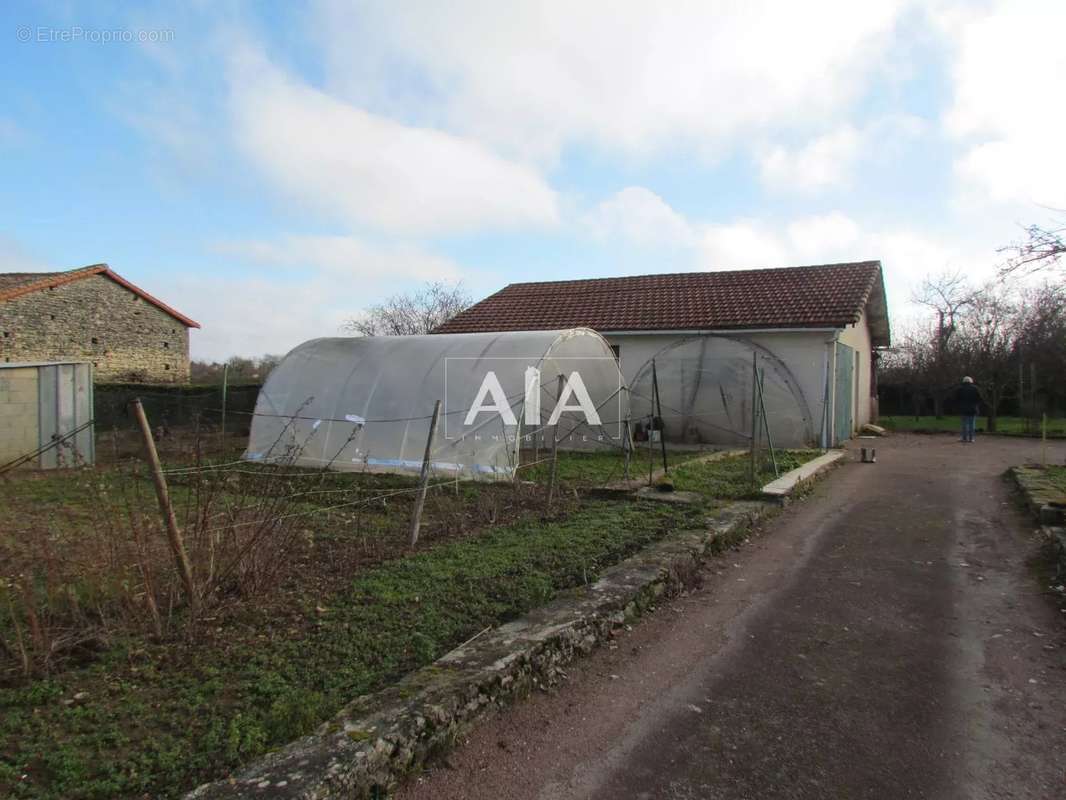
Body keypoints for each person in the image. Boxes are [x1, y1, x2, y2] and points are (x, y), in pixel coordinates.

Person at [956, 376, 982, 443]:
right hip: (972, 409)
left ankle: (964, 438)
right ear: (971, 381)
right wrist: (976, 405)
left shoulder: (960, 389)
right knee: (972, 424)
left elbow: (956, 399)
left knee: (964, 425)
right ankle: (971, 438)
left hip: (963, 409)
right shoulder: (975, 388)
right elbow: (979, 399)